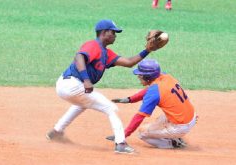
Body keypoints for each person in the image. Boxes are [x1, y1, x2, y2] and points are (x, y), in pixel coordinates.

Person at [46, 19, 159, 154]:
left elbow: (129, 62)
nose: (115, 35)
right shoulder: (93, 45)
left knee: (81, 104)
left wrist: (147, 50)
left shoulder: (106, 53)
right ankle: (120, 144)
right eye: (113, 32)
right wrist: (86, 80)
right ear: (104, 33)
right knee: (110, 108)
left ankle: (57, 131)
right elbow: (79, 57)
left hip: (67, 86)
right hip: (72, 84)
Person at [106, 59, 197, 149]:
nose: (138, 77)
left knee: (142, 133)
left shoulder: (154, 93)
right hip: (191, 115)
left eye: (140, 75)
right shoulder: (165, 76)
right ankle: (174, 136)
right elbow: (150, 89)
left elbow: (139, 117)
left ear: (147, 77)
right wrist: (130, 99)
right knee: (155, 124)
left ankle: (173, 143)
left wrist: (122, 135)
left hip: (181, 125)